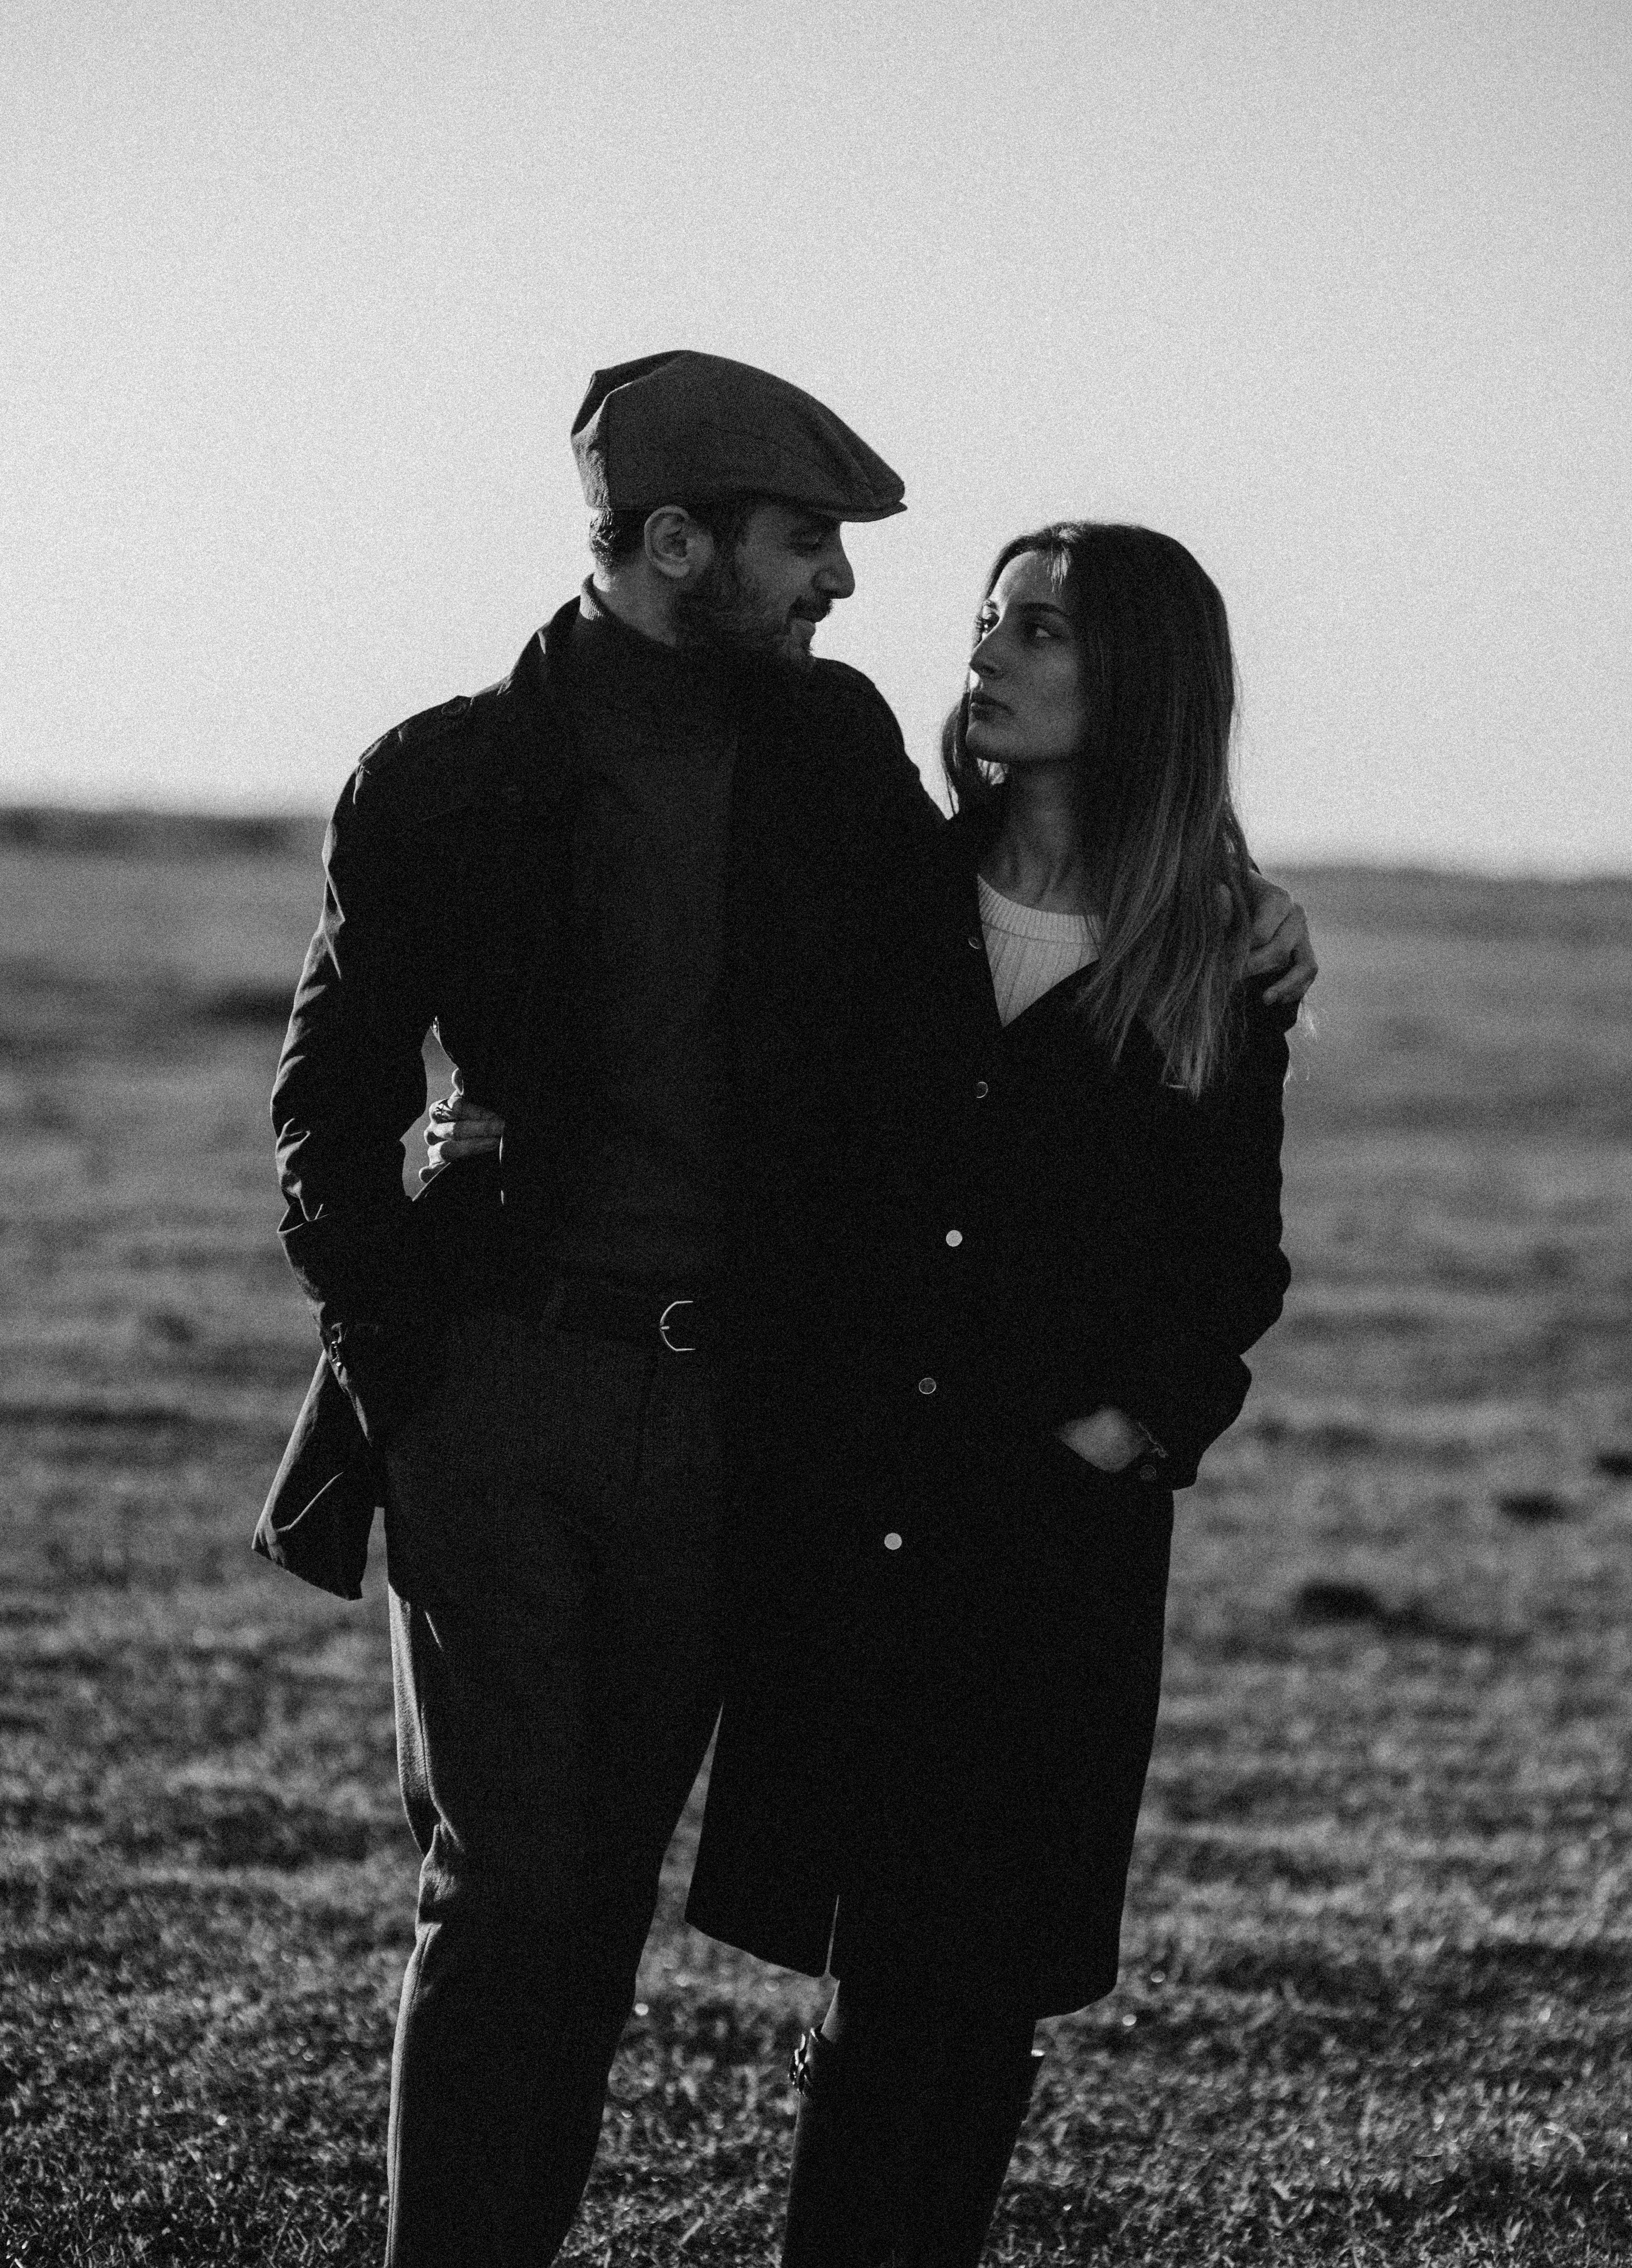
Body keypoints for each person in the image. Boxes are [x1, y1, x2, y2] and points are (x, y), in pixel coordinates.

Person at [255, 349, 1315, 2268]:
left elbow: (1041, 963)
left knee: (600, 1907)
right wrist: (401, 1355)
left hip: (736, 1420)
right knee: (511, 1885)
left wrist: (1241, 922)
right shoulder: (441, 776)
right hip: (497, 1395)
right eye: (804, 541)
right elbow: (322, 1107)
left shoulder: (827, 755)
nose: (839, 584)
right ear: (677, 543)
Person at [681, 522, 1298, 2265]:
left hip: (1042, 1560)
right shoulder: (888, 883)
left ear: (1141, 688)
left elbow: (1229, 1270)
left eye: (1041, 630)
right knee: (877, 1973)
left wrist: (1122, 1433)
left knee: (970, 1993)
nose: (990, 651)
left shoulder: (1206, 960)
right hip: (854, 1519)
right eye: (988, 620)